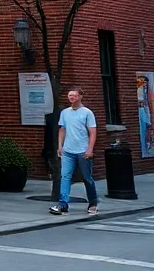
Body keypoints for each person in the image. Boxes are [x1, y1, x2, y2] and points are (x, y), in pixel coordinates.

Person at [50, 86, 98, 216]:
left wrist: (90, 149)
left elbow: (92, 132)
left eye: (74, 95)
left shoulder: (87, 112)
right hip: (68, 151)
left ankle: (93, 202)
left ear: (80, 96)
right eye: (69, 95)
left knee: (87, 178)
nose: (71, 97)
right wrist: (60, 146)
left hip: (83, 150)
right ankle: (63, 203)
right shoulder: (65, 112)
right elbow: (62, 129)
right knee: (65, 177)